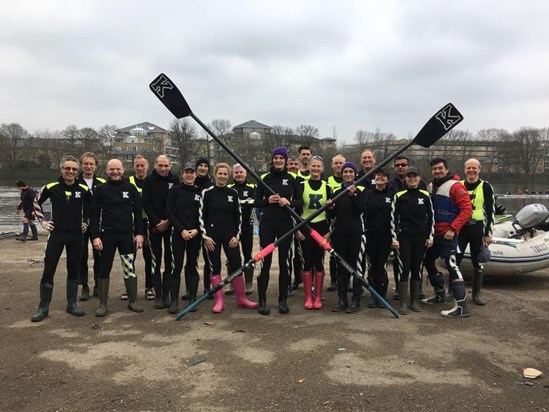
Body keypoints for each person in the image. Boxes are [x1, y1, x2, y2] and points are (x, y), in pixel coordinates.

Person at [31, 155, 91, 322]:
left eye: (74, 169)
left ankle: (71, 304)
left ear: (77, 171)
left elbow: (92, 208)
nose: (71, 171)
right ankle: (43, 307)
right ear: (61, 170)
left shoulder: (83, 189)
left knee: (73, 270)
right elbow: (35, 202)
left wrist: (86, 222)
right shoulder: (51, 187)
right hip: (56, 235)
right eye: (67, 168)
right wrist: (42, 221)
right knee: (49, 269)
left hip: (76, 236)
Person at [90, 159, 145, 317]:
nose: (115, 172)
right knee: (104, 267)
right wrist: (95, 236)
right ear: (107, 171)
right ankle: (102, 304)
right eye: (111, 169)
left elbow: (138, 212)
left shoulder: (130, 188)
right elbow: (94, 214)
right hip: (106, 235)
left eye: (118, 169)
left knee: (129, 267)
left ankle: (133, 301)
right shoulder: (100, 189)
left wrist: (139, 233)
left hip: (126, 235)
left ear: (123, 170)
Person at [200, 163, 257, 313]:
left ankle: (242, 298)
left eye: (225, 174)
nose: (223, 176)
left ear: (228, 176)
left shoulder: (233, 193)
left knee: (237, 265)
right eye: (220, 174)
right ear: (215, 174)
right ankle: (219, 301)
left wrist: (236, 236)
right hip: (212, 237)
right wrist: (205, 237)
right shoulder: (207, 193)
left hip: (230, 236)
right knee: (216, 266)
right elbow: (200, 217)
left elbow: (238, 218)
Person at [421, 158, 472, 318]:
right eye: (434, 169)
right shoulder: (431, 186)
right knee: (427, 260)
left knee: (452, 265)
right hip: (434, 234)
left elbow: (467, 210)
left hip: (448, 235)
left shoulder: (456, 186)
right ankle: (439, 293)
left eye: (440, 168)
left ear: (447, 169)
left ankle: (462, 306)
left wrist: (453, 228)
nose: (437, 171)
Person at [254, 147, 302, 315]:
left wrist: (289, 202)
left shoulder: (292, 179)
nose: (278, 161)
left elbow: (300, 202)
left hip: (285, 224)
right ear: (272, 160)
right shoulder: (265, 178)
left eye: (281, 158)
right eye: (276, 158)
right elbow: (255, 202)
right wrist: (267, 200)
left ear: (286, 161)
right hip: (267, 223)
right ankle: (262, 300)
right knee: (265, 262)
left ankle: (282, 300)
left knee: (284, 262)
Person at [391, 167, 434, 314]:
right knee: (405, 268)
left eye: (415, 176)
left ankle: (414, 301)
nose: (412, 179)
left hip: (421, 237)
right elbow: (393, 219)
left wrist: (430, 236)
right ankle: (403, 302)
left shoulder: (426, 196)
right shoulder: (399, 196)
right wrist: (394, 238)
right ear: (406, 179)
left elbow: (431, 218)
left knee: (417, 268)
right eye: (409, 176)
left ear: (419, 178)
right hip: (404, 238)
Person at [327, 162, 365, 313]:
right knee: (341, 267)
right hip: (339, 234)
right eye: (345, 172)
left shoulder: (361, 190)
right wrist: (330, 208)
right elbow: (332, 216)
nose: (348, 174)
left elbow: (360, 210)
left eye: (351, 172)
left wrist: (353, 196)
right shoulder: (336, 191)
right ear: (342, 174)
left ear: (355, 174)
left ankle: (355, 300)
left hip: (355, 233)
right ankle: (342, 300)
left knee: (355, 267)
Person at [387, 155, 427, 300]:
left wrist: (430, 235)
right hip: (401, 232)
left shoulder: (423, 188)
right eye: (398, 165)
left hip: (419, 233)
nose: (400, 167)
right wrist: (394, 235)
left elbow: (429, 214)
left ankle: (417, 291)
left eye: (403, 165)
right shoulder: (391, 184)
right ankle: (399, 289)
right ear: (394, 167)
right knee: (400, 263)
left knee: (417, 265)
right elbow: (392, 211)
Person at [142, 154, 179, 309]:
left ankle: (167, 294)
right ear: (155, 165)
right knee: (155, 260)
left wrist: (168, 220)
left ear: (170, 166)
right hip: (155, 226)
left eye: (166, 166)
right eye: (160, 165)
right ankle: (158, 295)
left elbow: (177, 202)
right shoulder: (149, 181)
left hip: (170, 225)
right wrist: (157, 222)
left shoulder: (175, 180)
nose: (163, 169)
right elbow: (146, 202)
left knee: (169, 260)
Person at [295, 155, 332, 310]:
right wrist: (297, 229)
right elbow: (296, 209)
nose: (316, 169)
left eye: (319, 166)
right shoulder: (301, 185)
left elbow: (332, 213)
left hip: (322, 227)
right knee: (307, 261)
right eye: (313, 166)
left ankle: (318, 297)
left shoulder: (327, 186)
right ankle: (308, 297)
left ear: (322, 169)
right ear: (309, 167)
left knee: (319, 261)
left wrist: (330, 232)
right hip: (305, 226)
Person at [456, 158, 495, 305]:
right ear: (464, 170)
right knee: (455, 258)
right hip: (460, 228)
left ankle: (476, 294)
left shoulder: (485, 186)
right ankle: (453, 290)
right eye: (468, 168)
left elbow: (490, 211)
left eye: (474, 168)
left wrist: (488, 233)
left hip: (477, 228)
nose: (471, 171)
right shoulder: (458, 185)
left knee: (477, 260)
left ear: (479, 170)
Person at [166, 162, 202, 314]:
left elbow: (204, 214)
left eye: (192, 172)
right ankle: (174, 300)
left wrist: (197, 230)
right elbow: (170, 212)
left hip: (194, 234)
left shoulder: (200, 192)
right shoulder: (175, 191)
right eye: (186, 172)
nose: (189, 175)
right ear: (182, 174)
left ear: (195, 174)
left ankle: (192, 298)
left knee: (192, 266)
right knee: (177, 266)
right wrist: (181, 230)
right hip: (179, 234)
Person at [362, 168, 393, 310]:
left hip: (385, 237)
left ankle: (382, 295)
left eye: (383, 176)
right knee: (372, 267)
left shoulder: (392, 195)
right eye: (378, 175)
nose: (380, 178)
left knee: (381, 267)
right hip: (370, 236)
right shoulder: (368, 194)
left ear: (387, 179)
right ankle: (374, 296)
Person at [77, 152, 106, 301]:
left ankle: (98, 285)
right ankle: (84, 286)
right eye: (85, 164)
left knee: (99, 255)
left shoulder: (101, 182)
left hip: (98, 225)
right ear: (81, 165)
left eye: (91, 164)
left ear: (95, 166)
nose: (88, 166)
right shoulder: (75, 181)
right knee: (81, 256)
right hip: (80, 226)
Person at [126, 155, 154, 301]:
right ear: (134, 166)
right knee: (130, 256)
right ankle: (129, 289)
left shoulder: (151, 181)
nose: (140, 168)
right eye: (137, 165)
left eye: (143, 165)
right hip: (132, 224)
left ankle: (149, 287)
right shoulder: (128, 182)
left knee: (149, 257)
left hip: (148, 223)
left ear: (148, 166)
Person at [228, 163, 257, 294]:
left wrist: (240, 202)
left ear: (246, 174)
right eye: (236, 173)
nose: (239, 175)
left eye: (241, 172)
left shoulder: (252, 187)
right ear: (232, 174)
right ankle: (232, 282)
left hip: (247, 225)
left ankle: (249, 282)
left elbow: (255, 201)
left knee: (247, 254)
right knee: (232, 255)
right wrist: (245, 202)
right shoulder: (229, 188)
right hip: (232, 226)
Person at [194, 157, 214, 297]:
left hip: (208, 226)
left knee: (209, 259)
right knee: (192, 258)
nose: (202, 168)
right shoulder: (191, 182)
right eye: (200, 165)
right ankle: (191, 288)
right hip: (192, 226)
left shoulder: (211, 184)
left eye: (205, 166)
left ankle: (208, 287)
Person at [326, 154, 345, 292]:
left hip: (346, 219)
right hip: (332, 220)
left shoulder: (351, 180)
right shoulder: (328, 181)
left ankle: (346, 280)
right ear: (332, 165)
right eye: (336, 163)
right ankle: (333, 279)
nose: (338, 165)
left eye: (341, 163)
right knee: (333, 253)